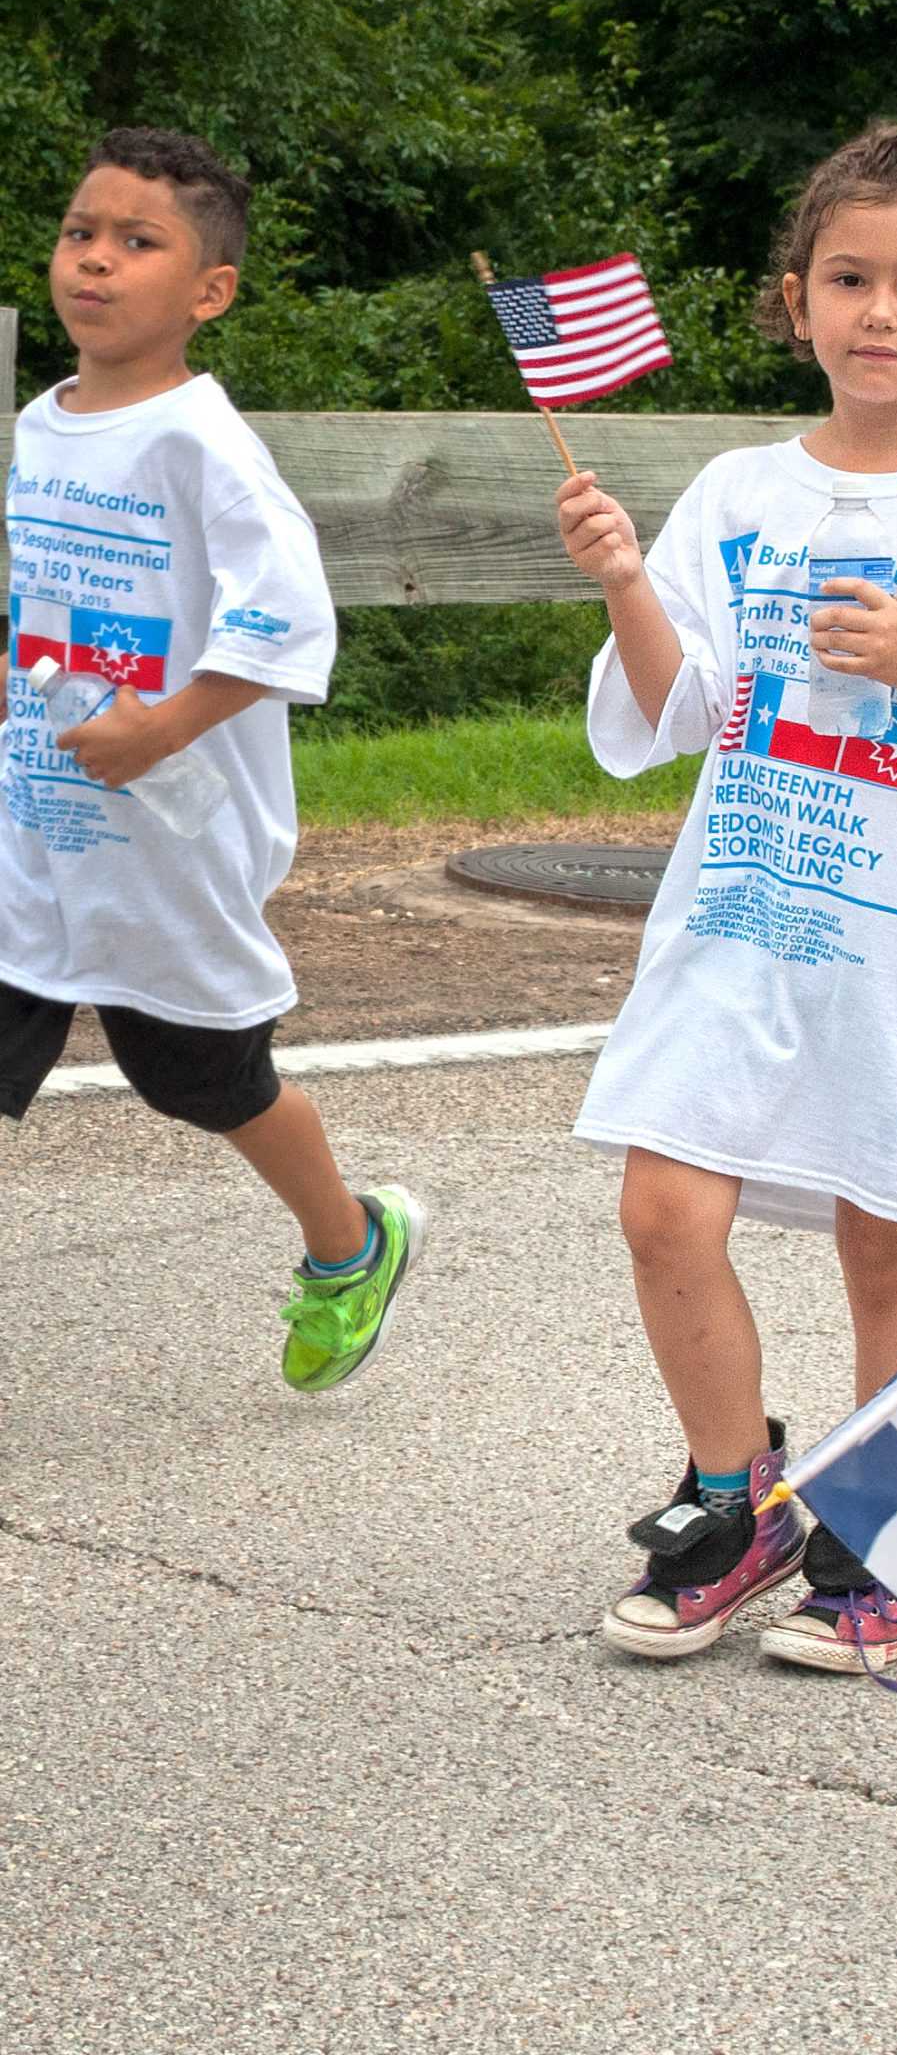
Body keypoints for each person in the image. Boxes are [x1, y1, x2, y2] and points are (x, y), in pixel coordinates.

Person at [557, 123, 897, 1676]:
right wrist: (621, 580)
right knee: (662, 1205)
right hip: (739, 920)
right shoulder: (739, 491)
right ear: (793, 300)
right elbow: (669, 708)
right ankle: (733, 1504)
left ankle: (890, 1538)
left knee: (886, 1251)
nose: (880, 312)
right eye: (848, 279)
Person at [1, 127, 423, 1392]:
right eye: (84, 231)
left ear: (209, 290)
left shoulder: (205, 443)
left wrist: (162, 727)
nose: (97, 261)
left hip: (166, 836)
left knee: (206, 1079)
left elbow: (286, 619)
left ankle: (351, 1241)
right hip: (35, 821)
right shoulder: (36, 425)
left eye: (140, 242)